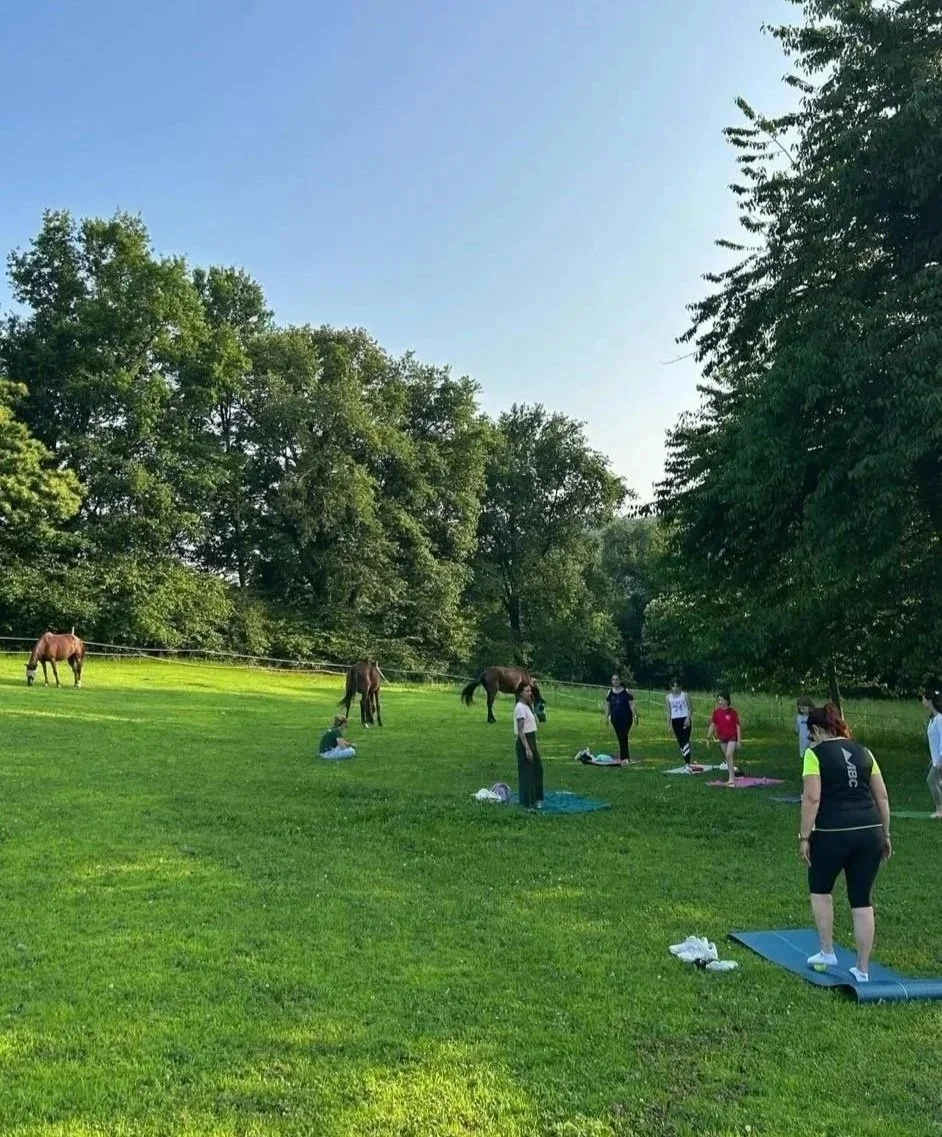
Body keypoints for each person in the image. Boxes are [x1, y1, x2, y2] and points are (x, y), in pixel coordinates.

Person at [800, 703, 892, 984]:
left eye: (810, 734)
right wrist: (885, 834)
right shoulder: (865, 752)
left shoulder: (813, 755)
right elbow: (882, 798)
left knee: (820, 889)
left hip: (832, 832)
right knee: (862, 899)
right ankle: (863, 969)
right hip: (870, 831)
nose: (810, 739)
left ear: (816, 730)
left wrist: (804, 836)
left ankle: (827, 951)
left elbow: (812, 797)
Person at [514, 681, 544, 810]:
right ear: (520, 693)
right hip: (524, 742)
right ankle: (527, 802)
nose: (529, 693)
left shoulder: (527, 706)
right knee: (527, 773)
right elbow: (521, 731)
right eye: (527, 691)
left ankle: (536, 798)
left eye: (530, 691)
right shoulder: (520, 708)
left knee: (537, 770)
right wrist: (527, 748)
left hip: (532, 740)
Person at [707, 692, 741, 786]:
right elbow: (712, 724)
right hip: (722, 737)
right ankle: (733, 774)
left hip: (732, 737)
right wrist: (708, 738)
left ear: (727, 700)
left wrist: (739, 740)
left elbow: (737, 726)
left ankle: (732, 778)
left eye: (722, 700)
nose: (720, 702)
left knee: (729, 755)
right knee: (727, 757)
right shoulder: (716, 712)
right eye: (719, 700)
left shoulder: (733, 712)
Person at [605, 673, 637, 764]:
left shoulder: (626, 691)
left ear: (620, 680)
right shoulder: (609, 692)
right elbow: (607, 706)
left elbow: (632, 705)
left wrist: (635, 716)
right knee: (620, 737)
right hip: (615, 718)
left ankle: (625, 758)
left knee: (623, 736)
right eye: (614, 679)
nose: (615, 681)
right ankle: (625, 758)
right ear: (611, 681)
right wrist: (606, 718)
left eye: (617, 679)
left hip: (626, 718)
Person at [922, 689, 942, 819]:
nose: (922, 702)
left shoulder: (940, 719)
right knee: (939, 783)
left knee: (931, 781)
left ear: (929, 700)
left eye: (923, 699)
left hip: (940, 759)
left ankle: (940, 810)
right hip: (936, 759)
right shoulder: (933, 719)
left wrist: (940, 759)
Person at [665, 678, 693, 766]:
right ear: (671, 687)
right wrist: (668, 725)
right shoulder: (668, 698)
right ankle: (685, 760)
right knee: (680, 742)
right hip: (675, 720)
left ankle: (687, 763)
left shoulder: (684, 695)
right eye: (673, 686)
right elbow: (669, 712)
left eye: (677, 686)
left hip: (684, 719)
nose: (675, 688)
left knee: (685, 741)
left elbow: (690, 708)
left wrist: (688, 718)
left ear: (680, 687)